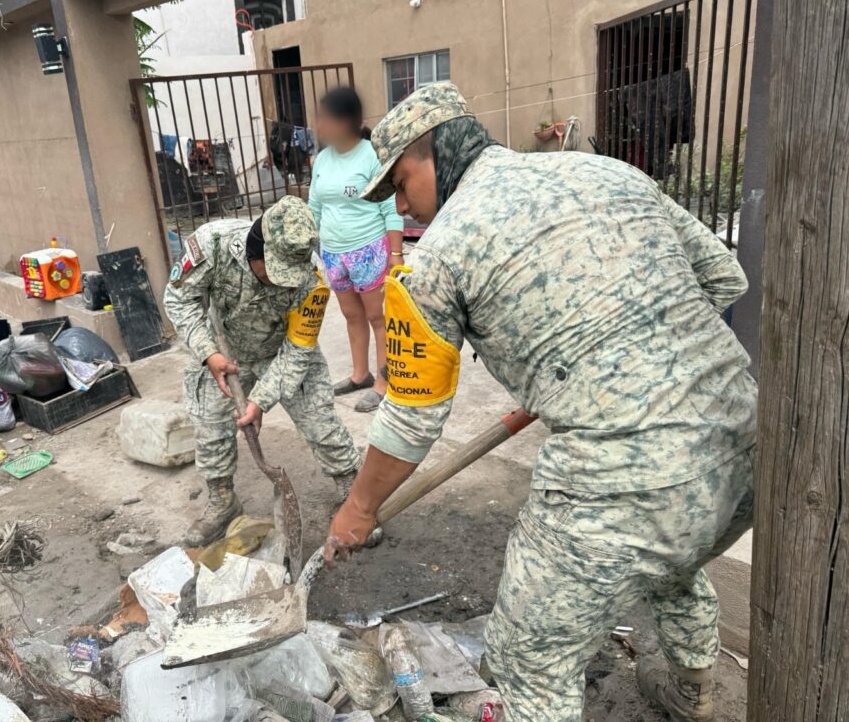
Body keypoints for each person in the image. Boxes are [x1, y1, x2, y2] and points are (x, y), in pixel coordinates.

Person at [324, 82, 757, 722]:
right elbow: (725, 277)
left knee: (527, 657)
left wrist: (358, 508)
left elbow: (412, 417)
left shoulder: (437, 256)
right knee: (674, 563)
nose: (403, 209)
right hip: (744, 451)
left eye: (399, 185)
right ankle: (692, 692)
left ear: (430, 150)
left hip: (620, 487)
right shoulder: (609, 173)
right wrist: (602, 360)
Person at [164, 196, 361, 547]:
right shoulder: (213, 244)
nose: (283, 284)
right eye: (275, 273)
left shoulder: (313, 278)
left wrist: (260, 401)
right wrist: (208, 353)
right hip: (223, 350)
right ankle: (223, 500)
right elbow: (179, 299)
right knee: (210, 427)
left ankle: (355, 496)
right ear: (255, 254)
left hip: (282, 350)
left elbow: (298, 350)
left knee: (321, 423)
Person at [309, 87, 404, 413]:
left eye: (324, 118)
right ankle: (360, 375)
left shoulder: (370, 156)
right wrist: (308, 248)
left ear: (345, 120)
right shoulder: (322, 160)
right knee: (352, 316)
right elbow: (314, 206)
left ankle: (384, 382)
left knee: (378, 317)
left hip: (369, 252)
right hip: (334, 254)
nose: (319, 124)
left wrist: (395, 254)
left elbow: (390, 207)